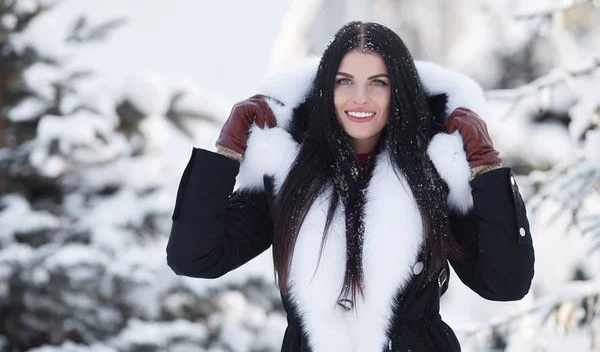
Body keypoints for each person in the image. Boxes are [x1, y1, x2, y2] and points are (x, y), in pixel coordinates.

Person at [166, 21, 535, 352]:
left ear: (399, 91)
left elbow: (506, 283)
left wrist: (485, 164)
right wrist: (228, 149)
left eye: (378, 83)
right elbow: (195, 257)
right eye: (345, 81)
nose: (360, 97)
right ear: (327, 88)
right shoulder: (288, 174)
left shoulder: (432, 175)